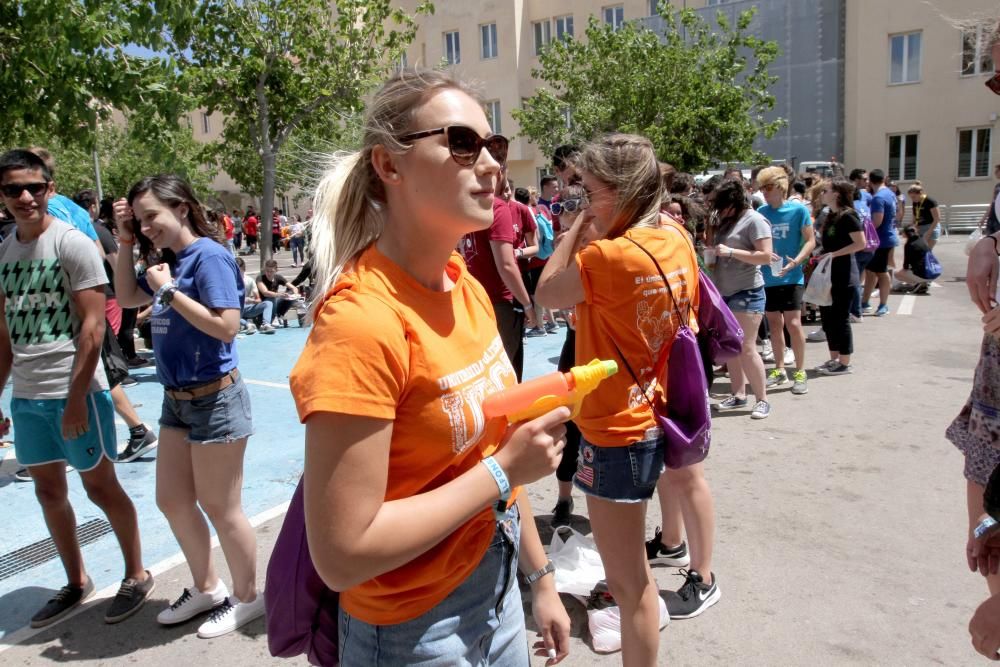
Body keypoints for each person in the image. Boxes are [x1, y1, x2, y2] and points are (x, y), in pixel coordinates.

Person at [290, 69, 571, 666]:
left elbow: (498, 446)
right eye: (462, 143)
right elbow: (342, 554)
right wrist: (502, 473)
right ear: (389, 166)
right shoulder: (361, 324)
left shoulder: (461, 284)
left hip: (498, 590)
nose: (493, 164)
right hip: (413, 633)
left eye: (493, 145)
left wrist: (540, 577)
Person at [536, 133, 705, 664]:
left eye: (588, 192)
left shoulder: (607, 256)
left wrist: (574, 233)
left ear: (616, 190)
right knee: (635, 582)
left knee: (631, 589)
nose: (582, 202)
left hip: (617, 428)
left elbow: (545, 292)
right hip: (657, 411)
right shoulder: (676, 236)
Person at [0, 149, 154, 627]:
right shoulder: (5, 249)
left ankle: (136, 574)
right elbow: (4, 334)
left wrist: (74, 400)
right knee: (49, 492)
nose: (25, 197)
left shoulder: (73, 243)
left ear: (50, 188)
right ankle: (76, 581)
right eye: (13, 190)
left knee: (101, 487)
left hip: (78, 392)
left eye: (35, 187)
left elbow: (92, 328)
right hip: (27, 395)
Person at [112, 175, 262, 638]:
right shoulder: (167, 261)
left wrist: (169, 293)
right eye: (139, 220)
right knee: (173, 499)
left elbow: (227, 327)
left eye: (151, 215)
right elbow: (124, 296)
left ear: (181, 208)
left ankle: (248, 597)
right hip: (175, 400)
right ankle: (206, 587)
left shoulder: (209, 257)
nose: (146, 226)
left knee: (221, 505)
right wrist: (123, 242)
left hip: (215, 398)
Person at [72, 189, 158, 462]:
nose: (25, 196)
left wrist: (165, 290)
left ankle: (137, 430)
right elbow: (127, 289)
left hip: (95, 301)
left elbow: (109, 260)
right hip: (97, 300)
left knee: (102, 369)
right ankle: (137, 430)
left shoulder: (76, 222)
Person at [460, 169, 537, 381]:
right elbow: (507, 265)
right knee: (506, 369)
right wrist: (528, 305)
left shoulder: (464, 205)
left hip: (473, 297)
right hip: (501, 301)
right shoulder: (497, 208)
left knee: (484, 367)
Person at [707, 178, 773, 419]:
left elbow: (765, 256)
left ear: (733, 202)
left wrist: (732, 252)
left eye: (722, 205)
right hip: (725, 292)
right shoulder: (727, 221)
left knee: (746, 348)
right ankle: (738, 394)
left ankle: (763, 399)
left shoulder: (755, 220)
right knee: (732, 348)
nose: (719, 210)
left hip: (747, 292)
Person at [755, 167, 815, 396]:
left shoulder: (798, 210)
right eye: (762, 188)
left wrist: (797, 260)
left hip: (792, 275)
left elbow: (810, 240)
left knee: (794, 323)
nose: (764, 192)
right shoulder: (761, 211)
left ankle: (800, 371)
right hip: (769, 276)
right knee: (775, 325)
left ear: (780, 187)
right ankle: (779, 369)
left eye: (767, 187)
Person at [815, 179, 866, 375]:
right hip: (828, 274)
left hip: (844, 274)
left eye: (826, 191)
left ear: (837, 194)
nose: (822, 194)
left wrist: (834, 254)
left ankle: (844, 362)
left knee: (840, 318)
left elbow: (860, 243)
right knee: (828, 317)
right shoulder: (831, 215)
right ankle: (833, 358)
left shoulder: (848, 216)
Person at [862, 169, 898, 317]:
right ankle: (865, 302)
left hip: (880, 240)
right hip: (885, 238)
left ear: (870, 181)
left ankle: (883, 304)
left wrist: (863, 230)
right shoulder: (890, 193)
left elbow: (877, 221)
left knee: (881, 272)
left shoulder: (878, 198)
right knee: (871, 272)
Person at [256, 258, 305, 328]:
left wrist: (295, 294)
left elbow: (293, 288)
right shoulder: (260, 278)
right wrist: (279, 295)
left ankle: (279, 316)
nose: (269, 273)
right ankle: (272, 318)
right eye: (267, 271)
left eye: (271, 271)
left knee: (290, 295)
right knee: (271, 298)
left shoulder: (278, 277)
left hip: (275, 303)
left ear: (276, 270)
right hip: (264, 304)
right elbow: (265, 293)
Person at [235, 257, 276, 334]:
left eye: (240, 272)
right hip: (235, 309)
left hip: (247, 308)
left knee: (268, 303)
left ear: (244, 270)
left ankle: (266, 325)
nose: (238, 275)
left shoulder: (249, 280)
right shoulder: (229, 281)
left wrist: (251, 300)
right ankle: (248, 325)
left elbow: (258, 300)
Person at [894, 225, 936, 293]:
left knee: (896, 274)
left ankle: (919, 282)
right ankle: (921, 284)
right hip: (931, 272)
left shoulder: (909, 245)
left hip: (923, 274)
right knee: (915, 269)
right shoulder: (922, 240)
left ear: (906, 233)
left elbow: (906, 265)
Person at [907, 182, 941, 249]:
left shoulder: (930, 201)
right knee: (918, 252)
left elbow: (937, 218)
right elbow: (914, 215)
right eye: (911, 197)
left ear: (920, 193)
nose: (912, 199)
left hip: (931, 227)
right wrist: (911, 226)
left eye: (914, 197)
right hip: (920, 227)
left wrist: (929, 232)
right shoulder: (915, 202)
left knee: (926, 252)